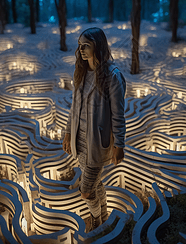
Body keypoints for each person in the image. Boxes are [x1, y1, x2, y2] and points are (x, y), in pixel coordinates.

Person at [63, 27, 126, 232]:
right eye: (80, 45)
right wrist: (68, 132)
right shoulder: (81, 71)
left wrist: (120, 144)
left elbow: (118, 114)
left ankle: (96, 220)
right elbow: (74, 107)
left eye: (86, 46)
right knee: (97, 185)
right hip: (80, 141)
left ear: (98, 46)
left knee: (86, 190)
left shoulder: (112, 76)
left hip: (97, 143)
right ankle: (105, 218)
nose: (81, 50)